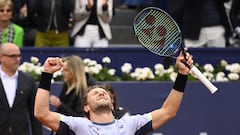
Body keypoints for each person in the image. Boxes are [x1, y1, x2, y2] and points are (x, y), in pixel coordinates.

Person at [34, 49, 193, 134]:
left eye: (104, 92)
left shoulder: (131, 124)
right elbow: (41, 113)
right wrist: (47, 73)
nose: (101, 93)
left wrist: (182, 75)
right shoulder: (78, 126)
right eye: (95, 93)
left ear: (112, 104)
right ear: (86, 108)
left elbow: (168, 111)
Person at [0, 43, 42, 135]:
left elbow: (34, 113)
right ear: (1, 57)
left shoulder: (27, 80)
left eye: (19, 56)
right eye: (13, 56)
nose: (17, 59)